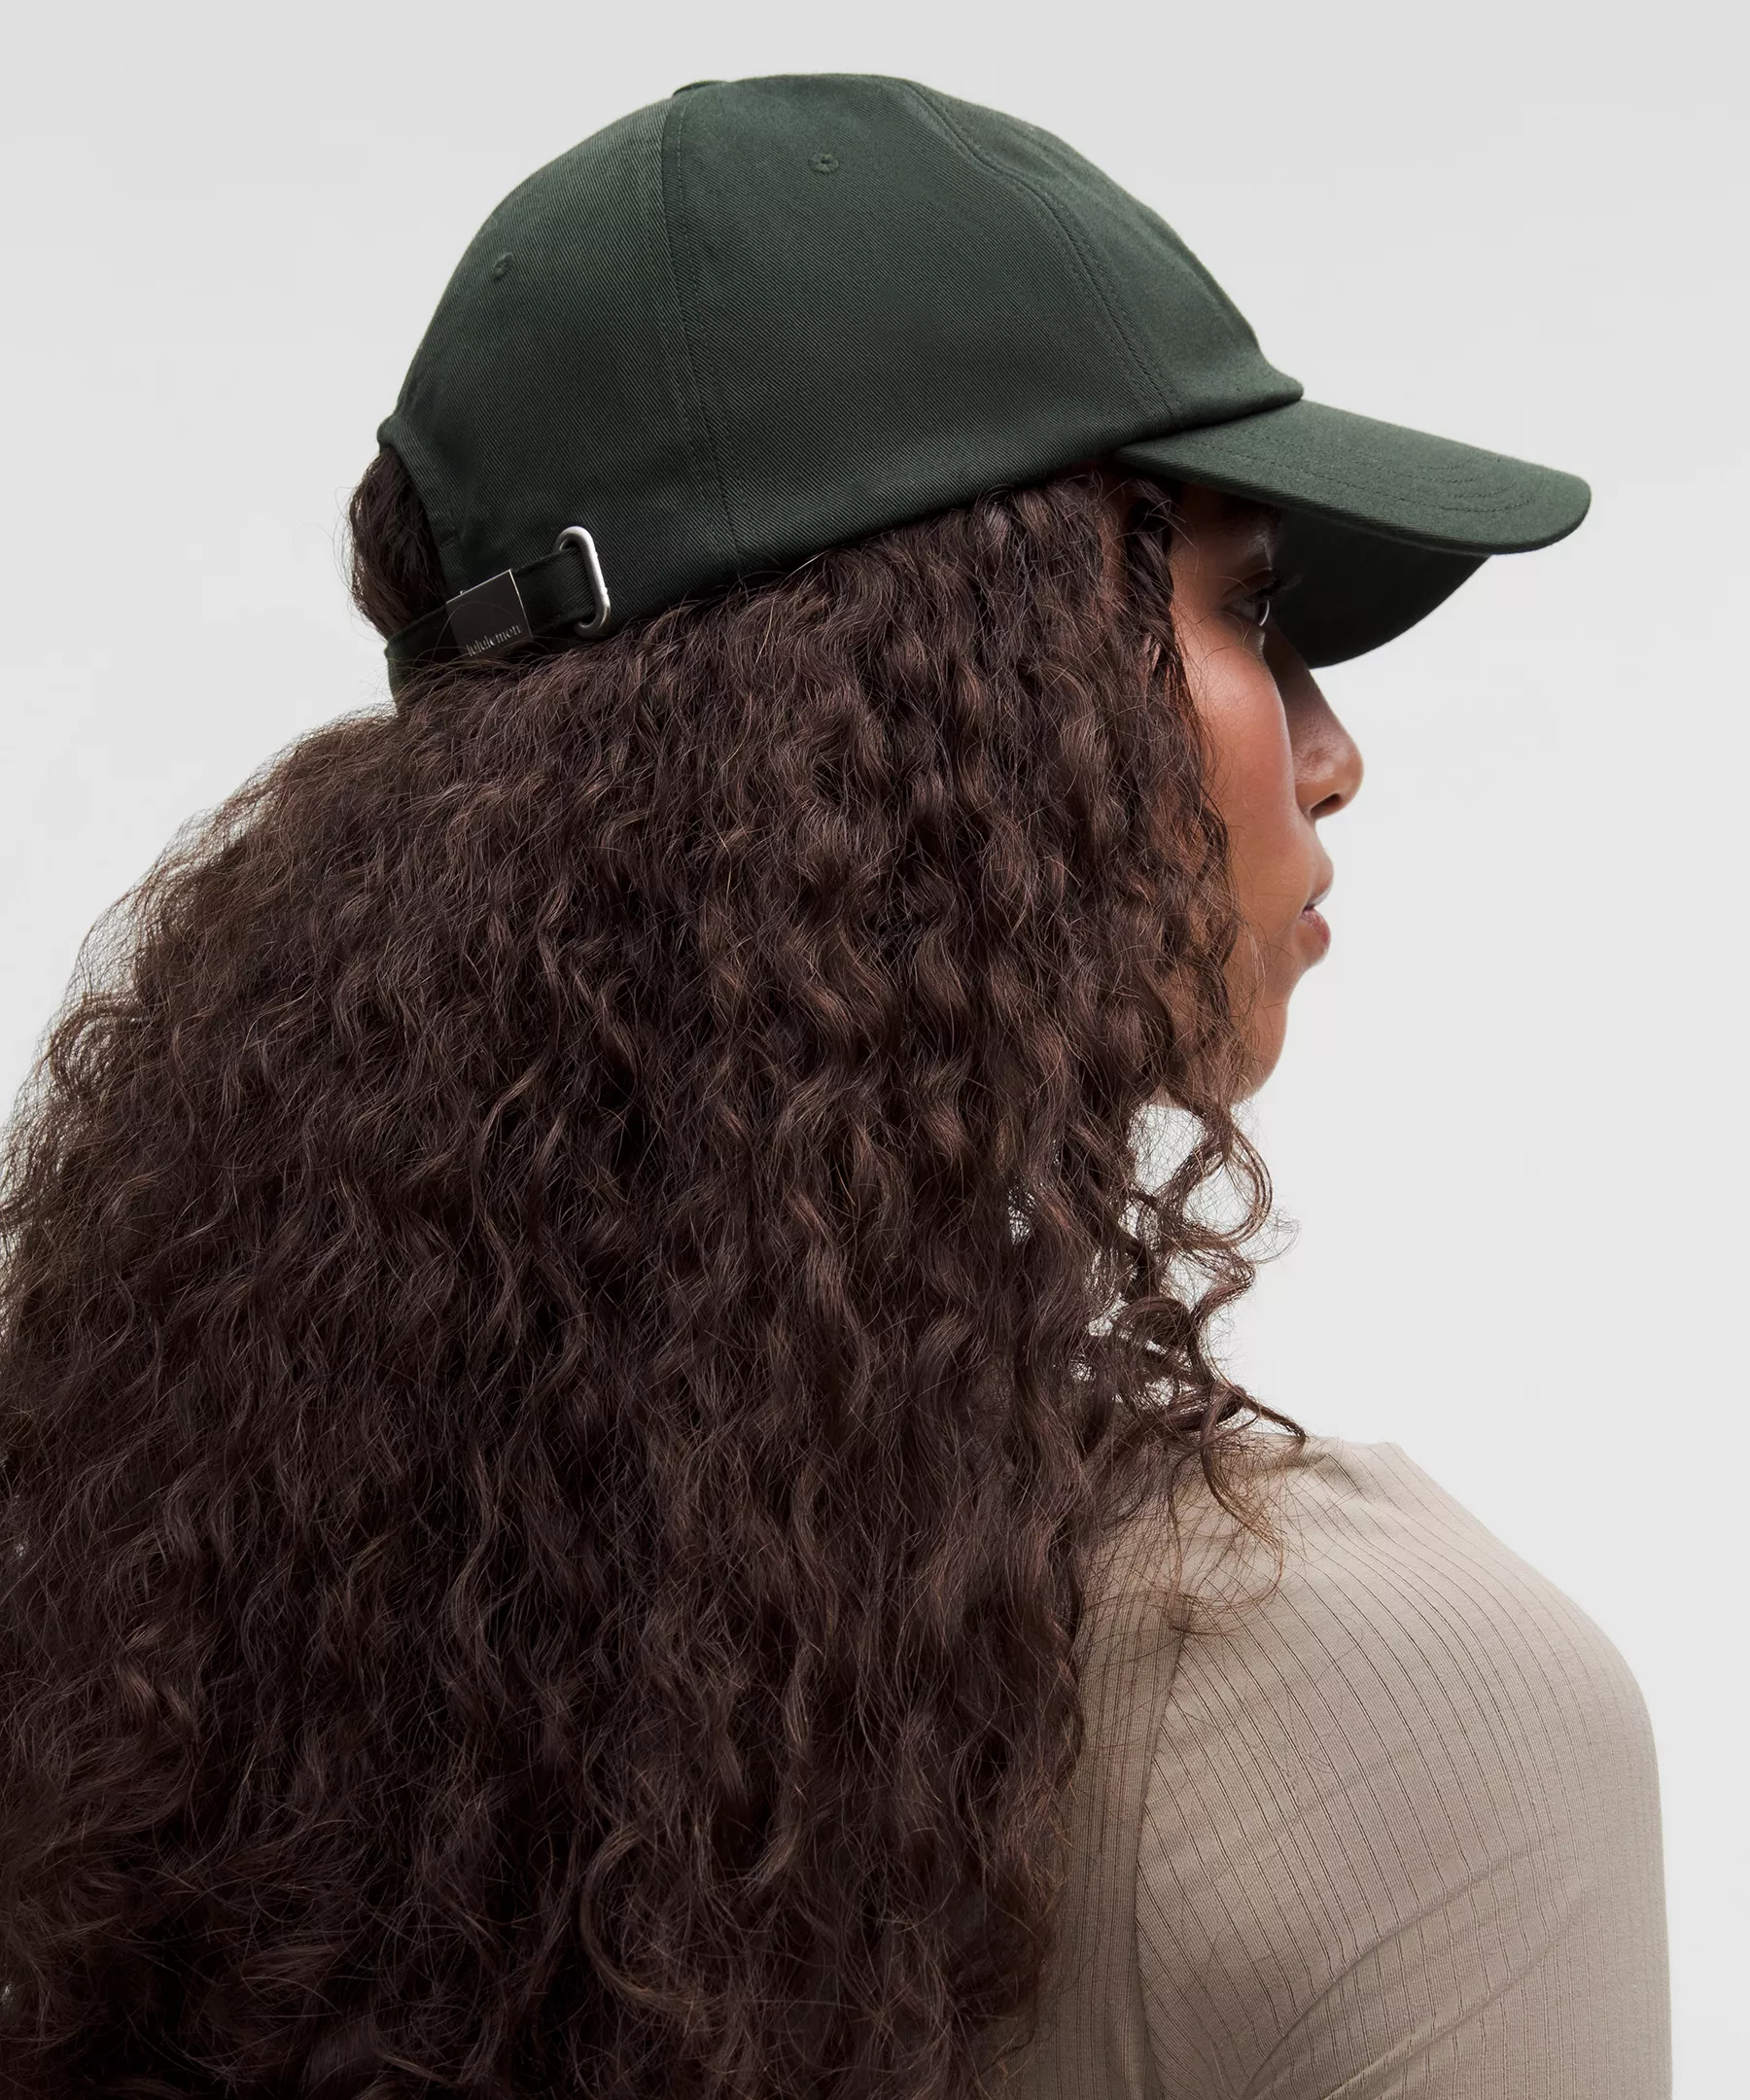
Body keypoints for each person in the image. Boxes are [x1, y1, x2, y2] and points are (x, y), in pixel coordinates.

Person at [0, 73, 1666, 2100]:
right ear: (959, 714)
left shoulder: (173, 1674)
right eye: (1245, 607)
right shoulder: (1379, 1719)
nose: (1332, 755)